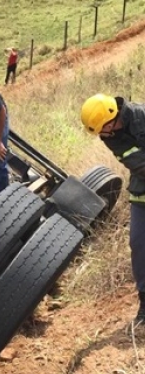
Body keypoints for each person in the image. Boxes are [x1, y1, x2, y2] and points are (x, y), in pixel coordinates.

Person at [81, 94, 145, 328]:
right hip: (142, 191)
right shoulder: (111, 137)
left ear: (112, 119)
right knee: (139, 244)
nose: (101, 136)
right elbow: (138, 164)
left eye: (102, 130)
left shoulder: (142, 116)